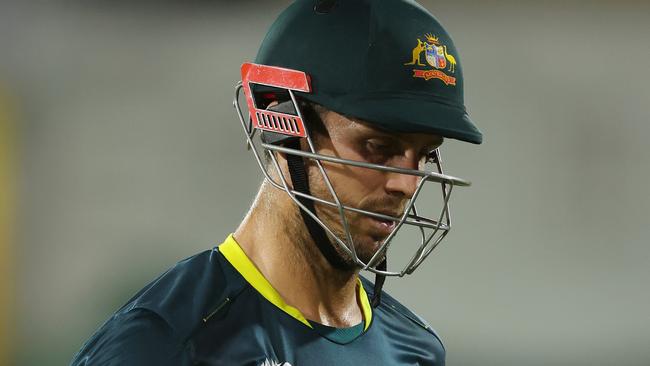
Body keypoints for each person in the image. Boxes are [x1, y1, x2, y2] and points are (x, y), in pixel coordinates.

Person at [70, 0, 482, 365]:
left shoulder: (415, 350)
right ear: (282, 122)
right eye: (377, 145)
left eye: (424, 156)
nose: (406, 185)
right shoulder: (163, 346)